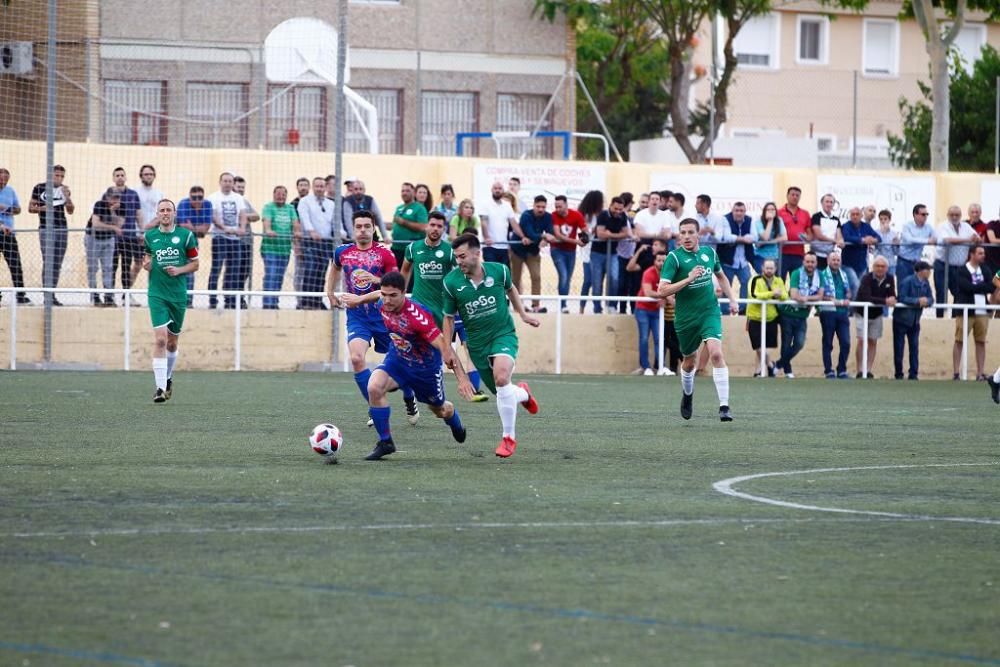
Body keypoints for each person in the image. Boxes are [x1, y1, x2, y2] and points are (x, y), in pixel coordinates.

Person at [340, 271, 472, 461]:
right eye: (385, 294)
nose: (387, 300)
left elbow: (445, 347)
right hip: (398, 360)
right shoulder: (383, 301)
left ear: (404, 293)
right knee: (374, 387)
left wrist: (462, 380)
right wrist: (358, 300)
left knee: (440, 410)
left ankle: (454, 420)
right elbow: (377, 295)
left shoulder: (418, 317)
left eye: (393, 295)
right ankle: (385, 442)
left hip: (424, 370)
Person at [442, 233, 541, 458]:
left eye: (463, 256)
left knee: (502, 377)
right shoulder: (451, 283)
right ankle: (523, 394)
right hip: (477, 345)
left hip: (503, 334)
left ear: (478, 253)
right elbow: (448, 317)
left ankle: (508, 438)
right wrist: (447, 347)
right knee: (502, 391)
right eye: (456, 258)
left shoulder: (500, 270)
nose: (459, 262)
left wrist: (523, 314)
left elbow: (511, 288)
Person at [328, 211, 419, 424]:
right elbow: (334, 268)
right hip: (358, 318)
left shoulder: (384, 254)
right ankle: (374, 403)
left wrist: (376, 279)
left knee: (400, 365)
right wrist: (329, 292)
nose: (362, 230)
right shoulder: (343, 252)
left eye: (366, 226)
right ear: (352, 228)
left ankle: (409, 396)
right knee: (357, 359)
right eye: (358, 226)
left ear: (373, 228)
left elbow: (394, 289)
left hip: (385, 318)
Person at [401, 210, 488, 402]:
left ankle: (467, 387)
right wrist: (400, 294)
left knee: (446, 350)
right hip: (418, 309)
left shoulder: (449, 251)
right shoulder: (413, 248)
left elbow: (462, 274)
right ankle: (407, 394)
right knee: (406, 350)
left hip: (441, 312)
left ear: (444, 229)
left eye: (440, 226)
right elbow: (405, 271)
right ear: (426, 225)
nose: (435, 229)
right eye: (432, 224)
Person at [657, 218, 739, 422]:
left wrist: (732, 299)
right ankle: (687, 394)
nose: (686, 236)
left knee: (716, 354)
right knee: (689, 362)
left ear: (698, 234)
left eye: (690, 232)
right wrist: (688, 279)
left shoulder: (709, 253)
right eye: (682, 233)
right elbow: (662, 290)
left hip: (710, 312)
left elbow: (721, 276)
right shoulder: (674, 258)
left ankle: (724, 406)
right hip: (685, 318)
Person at [142, 199, 199, 403]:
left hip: (178, 295)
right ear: (157, 214)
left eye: (168, 210)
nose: (165, 213)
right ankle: (159, 388)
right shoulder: (150, 236)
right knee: (160, 340)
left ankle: (167, 379)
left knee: (172, 344)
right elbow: (147, 258)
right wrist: (146, 265)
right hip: (157, 293)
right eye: (162, 210)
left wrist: (179, 270)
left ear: (174, 213)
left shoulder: (186, 236)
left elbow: (195, 264)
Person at [30, 164, 75, 305]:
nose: (59, 178)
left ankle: (52, 294)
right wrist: (44, 208)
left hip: (62, 228)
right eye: (57, 175)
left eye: (62, 176)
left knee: (57, 263)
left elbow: (71, 210)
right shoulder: (39, 188)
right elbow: (31, 208)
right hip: (46, 228)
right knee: (48, 262)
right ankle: (46, 295)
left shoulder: (64, 190)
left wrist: (67, 197)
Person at [777, 251, 824, 379]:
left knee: (799, 343)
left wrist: (806, 298)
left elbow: (820, 295)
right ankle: (787, 370)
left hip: (803, 315)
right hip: (788, 313)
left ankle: (778, 364)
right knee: (786, 343)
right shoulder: (797, 273)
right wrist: (808, 298)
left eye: (812, 262)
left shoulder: (820, 275)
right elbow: (794, 295)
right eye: (807, 261)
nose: (810, 264)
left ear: (816, 263)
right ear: (803, 262)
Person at [206, 172, 249, 310]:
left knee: (234, 270)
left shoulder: (238, 198)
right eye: (225, 181)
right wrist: (224, 228)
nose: (228, 183)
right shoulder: (213, 197)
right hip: (219, 238)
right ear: (220, 182)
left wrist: (242, 228)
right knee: (216, 269)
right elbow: (212, 216)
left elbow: (243, 214)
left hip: (235, 239)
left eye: (230, 181)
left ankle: (230, 300)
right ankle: (212, 300)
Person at [952, 245, 993, 381]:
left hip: (982, 311)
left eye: (983, 253)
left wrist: (976, 287)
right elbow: (965, 287)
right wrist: (981, 287)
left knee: (980, 342)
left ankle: (980, 373)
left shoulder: (986, 270)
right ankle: (956, 372)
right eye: (980, 253)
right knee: (959, 340)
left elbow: (991, 287)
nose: (983, 255)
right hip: (966, 311)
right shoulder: (962, 270)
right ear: (972, 254)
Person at [853, 255, 895, 379]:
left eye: (883, 266)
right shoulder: (866, 278)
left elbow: (892, 294)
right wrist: (885, 301)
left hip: (877, 314)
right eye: (877, 266)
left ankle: (868, 369)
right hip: (862, 313)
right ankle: (860, 370)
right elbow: (866, 297)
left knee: (873, 340)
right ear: (873, 267)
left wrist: (891, 299)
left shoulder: (890, 278)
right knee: (861, 340)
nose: (880, 269)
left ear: (887, 268)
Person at [510, 194, 554, 313]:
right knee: (515, 279)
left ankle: (536, 305)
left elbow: (551, 232)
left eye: (543, 207)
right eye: (538, 206)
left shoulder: (548, 217)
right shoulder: (526, 215)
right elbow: (529, 233)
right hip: (517, 250)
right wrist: (544, 236)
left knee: (536, 277)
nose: (541, 209)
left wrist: (546, 239)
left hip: (533, 252)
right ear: (533, 205)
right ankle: (518, 306)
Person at [935, 206, 979, 318]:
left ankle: (955, 319)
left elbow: (977, 238)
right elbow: (947, 240)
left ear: (961, 215)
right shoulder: (942, 226)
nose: (954, 217)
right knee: (941, 293)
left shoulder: (966, 226)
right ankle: (940, 319)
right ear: (947, 215)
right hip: (943, 265)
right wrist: (968, 240)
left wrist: (975, 238)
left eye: (957, 215)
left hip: (959, 266)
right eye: (952, 215)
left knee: (958, 293)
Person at [109, 167, 144, 305]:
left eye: (122, 175)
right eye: (117, 175)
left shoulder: (133, 194)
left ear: (126, 177)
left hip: (129, 237)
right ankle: (109, 295)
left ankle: (126, 295)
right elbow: (102, 212)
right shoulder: (109, 193)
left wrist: (142, 231)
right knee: (111, 267)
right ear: (113, 178)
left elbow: (139, 214)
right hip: (112, 238)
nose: (120, 177)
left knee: (126, 267)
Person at [893, 260, 933, 380]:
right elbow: (902, 297)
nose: (930, 272)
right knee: (899, 348)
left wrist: (927, 301)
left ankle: (913, 373)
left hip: (915, 321)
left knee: (914, 347)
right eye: (928, 270)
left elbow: (931, 299)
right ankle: (899, 373)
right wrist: (917, 301)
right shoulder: (907, 281)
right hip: (901, 320)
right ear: (921, 271)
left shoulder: (926, 283)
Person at [746, 258, 786, 377]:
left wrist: (779, 295)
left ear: (775, 269)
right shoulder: (755, 279)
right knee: (758, 346)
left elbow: (785, 296)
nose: (769, 270)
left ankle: (758, 371)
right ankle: (770, 365)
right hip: (755, 317)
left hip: (771, 317)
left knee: (767, 347)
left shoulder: (779, 281)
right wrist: (772, 294)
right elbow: (754, 295)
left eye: (771, 268)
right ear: (762, 268)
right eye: (767, 268)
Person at [260, 185, 298, 309]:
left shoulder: (290, 208)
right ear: (273, 195)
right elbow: (266, 222)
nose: (281, 196)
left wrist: (297, 232)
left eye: (283, 194)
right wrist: (268, 229)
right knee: (271, 275)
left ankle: (274, 302)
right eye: (278, 194)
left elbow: (295, 223)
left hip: (285, 249)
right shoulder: (268, 207)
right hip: (270, 249)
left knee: (279, 277)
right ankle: (268, 304)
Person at [591, 196, 630, 314]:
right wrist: (616, 235)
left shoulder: (623, 216)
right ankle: (597, 308)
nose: (618, 211)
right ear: (610, 206)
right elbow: (600, 234)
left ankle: (612, 305)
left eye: (620, 209)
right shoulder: (603, 215)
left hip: (613, 253)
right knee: (597, 282)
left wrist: (610, 234)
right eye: (615, 209)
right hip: (597, 253)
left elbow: (626, 233)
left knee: (614, 278)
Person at [549, 194, 588, 313]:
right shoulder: (554, 215)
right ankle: (563, 305)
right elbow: (558, 235)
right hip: (557, 250)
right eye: (556, 206)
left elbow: (584, 229)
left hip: (571, 251)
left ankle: (563, 302)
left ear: (566, 205)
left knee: (567, 278)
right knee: (564, 275)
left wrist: (585, 238)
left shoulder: (576, 215)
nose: (558, 209)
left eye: (560, 206)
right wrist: (576, 241)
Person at [86, 188, 124, 307]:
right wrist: (112, 227)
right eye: (113, 197)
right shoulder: (99, 205)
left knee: (108, 268)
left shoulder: (122, 208)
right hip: (93, 238)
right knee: (93, 268)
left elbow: (119, 226)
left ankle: (108, 296)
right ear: (107, 197)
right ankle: (95, 296)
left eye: (117, 197)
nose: (115, 200)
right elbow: (96, 224)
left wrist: (112, 212)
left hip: (108, 239)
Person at [718, 201, 757, 315]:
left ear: (745, 212)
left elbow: (754, 237)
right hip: (727, 261)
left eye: (741, 211)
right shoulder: (725, 219)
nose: (739, 213)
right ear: (732, 211)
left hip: (743, 262)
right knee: (726, 286)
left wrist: (737, 238)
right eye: (736, 210)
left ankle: (742, 310)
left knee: (747, 283)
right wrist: (744, 239)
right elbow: (726, 237)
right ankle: (725, 312)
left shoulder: (750, 220)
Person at [818, 251, 853, 379]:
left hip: (843, 312)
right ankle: (828, 370)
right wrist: (836, 301)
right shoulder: (822, 275)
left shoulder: (844, 274)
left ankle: (842, 369)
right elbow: (820, 294)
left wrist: (848, 296)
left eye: (838, 260)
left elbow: (848, 291)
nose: (836, 262)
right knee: (828, 342)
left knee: (846, 342)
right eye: (833, 260)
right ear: (828, 261)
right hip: (828, 312)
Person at [176, 186, 213, 305]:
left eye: (200, 197)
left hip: (192, 243)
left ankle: (188, 301)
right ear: (189, 197)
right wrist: (198, 230)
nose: (197, 200)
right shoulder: (183, 204)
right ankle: (178, 299)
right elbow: (182, 226)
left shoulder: (207, 205)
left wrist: (193, 228)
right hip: (178, 243)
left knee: (190, 270)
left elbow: (206, 229)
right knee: (177, 271)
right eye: (194, 197)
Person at [634, 250, 666, 375]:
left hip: (657, 311)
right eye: (659, 260)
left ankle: (661, 367)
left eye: (664, 261)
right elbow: (648, 292)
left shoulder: (669, 274)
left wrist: (664, 297)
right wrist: (662, 296)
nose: (661, 263)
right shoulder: (648, 273)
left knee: (659, 339)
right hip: (643, 309)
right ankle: (645, 367)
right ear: (654, 261)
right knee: (644, 338)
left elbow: (673, 290)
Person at [0, 167, 28, 306]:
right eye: (1, 180)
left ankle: (21, 295)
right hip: (1, 229)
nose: (3, 183)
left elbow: (18, 209)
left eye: (5, 180)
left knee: (15, 264)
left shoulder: (10, 191)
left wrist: (7, 209)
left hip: (8, 233)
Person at [233, 176, 261, 305]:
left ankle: (241, 298)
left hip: (247, 242)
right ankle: (232, 299)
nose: (241, 190)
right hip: (234, 242)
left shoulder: (244, 202)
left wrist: (243, 216)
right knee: (234, 271)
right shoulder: (231, 201)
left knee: (245, 271)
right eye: (239, 187)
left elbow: (256, 216)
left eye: (243, 188)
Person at [389, 182, 429, 269]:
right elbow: (394, 225)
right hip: (396, 248)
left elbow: (423, 227)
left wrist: (404, 222)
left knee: (409, 278)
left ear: (414, 193)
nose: (404, 193)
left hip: (411, 249)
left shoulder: (419, 208)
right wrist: (378, 222)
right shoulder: (399, 208)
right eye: (403, 191)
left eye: (407, 191)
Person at [577, 190, 604, 313]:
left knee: (596, 281)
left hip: (597, 251)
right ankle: (582, 307)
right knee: (588, 280)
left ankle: (597, 306)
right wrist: (593, 230)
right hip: (587, 251)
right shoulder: (584, 215)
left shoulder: (600, 216)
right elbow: (584, 233)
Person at [777, 186, 811, 282]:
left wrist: (807, 238)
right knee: (780, 281)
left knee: (797, 282)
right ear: (787, 196)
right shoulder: (779, 212)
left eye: (797, 195)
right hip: (782, 253)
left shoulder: (805, 213)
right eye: (792, 194)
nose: (795, 197)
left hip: (799, 254)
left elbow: (810, 234)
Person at [479, 181, 517, 266]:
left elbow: (514, 223)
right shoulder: (485, 204)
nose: (497, 190)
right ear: (491, 190)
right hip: (489, 246)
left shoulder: (507, 205)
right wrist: (487, 238)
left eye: (500, 188)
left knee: (504, 274)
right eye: (495, 188)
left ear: (503, 190)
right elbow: (483, 222)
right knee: (492, 274)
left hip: (504, 247)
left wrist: (523, 236)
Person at [897, 203, 936, 286]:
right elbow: (909, 240)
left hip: (917, 262)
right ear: (915, 214)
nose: (925, 216)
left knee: (916, 287)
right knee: (903, 286)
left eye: (927, 214)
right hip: (904, 261)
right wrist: (927, 241)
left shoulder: (928, 227)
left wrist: (931, 240)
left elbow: (935, 238)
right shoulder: (907, 226)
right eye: (923, 214)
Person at [752, 201, 787, 275]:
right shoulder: (758, 222)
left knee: (775, 279)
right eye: (768, 210)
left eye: (773, 209)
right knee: (763, 278)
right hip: (760, 256)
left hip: (775, 256)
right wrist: (770, 221)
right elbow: (765, 237)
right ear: (764, 211)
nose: (770, 211)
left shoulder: (779, 220)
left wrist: (772, 241)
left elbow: (784, 237)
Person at [810, 193, 842, 270]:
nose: (829, 204)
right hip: (817, 254)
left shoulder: (836, 219)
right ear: (822, 203)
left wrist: (840, 241)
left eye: (831, 202)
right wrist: (835, 241)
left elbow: (839, 235)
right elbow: (819, 235)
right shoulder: (816, 216)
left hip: (830, 256)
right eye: (827, 201)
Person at [136, 164, 164, 231]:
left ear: (154, 176)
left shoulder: (159, 194)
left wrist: (151, 225)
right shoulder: (135, 192)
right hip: (137, 231)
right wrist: (142, 229)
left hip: (155, 231)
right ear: (141, 176)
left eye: (151, 174)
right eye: (146, 174)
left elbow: (162, 213)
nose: (149, 177)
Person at [874, 209, 900, 276]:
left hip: (891, 264)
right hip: (879, 263)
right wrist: (883, 233)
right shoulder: (875, 233)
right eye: (881, 219)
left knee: (890, 284)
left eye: (885, 219)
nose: (883, 221)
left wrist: (897, 245)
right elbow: (876, 248)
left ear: (889, 220)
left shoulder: (894, 234)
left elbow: (896, 252)